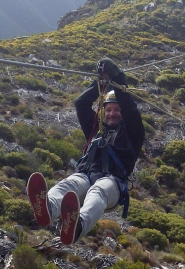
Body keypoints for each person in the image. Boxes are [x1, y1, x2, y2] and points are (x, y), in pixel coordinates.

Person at [27, 58, 145, 245]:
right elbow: (81, 103)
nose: (112, 114)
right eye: (108, 110)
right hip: (86, 175)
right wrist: (99, 83)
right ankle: (48, 208)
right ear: (103, 112)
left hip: (113, 182)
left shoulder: (133, 132)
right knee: (67, 185)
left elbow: (130, 109)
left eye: (117, 110)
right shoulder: (95, 129)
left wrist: (118, 77)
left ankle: (78, 225)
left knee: (97, 191)